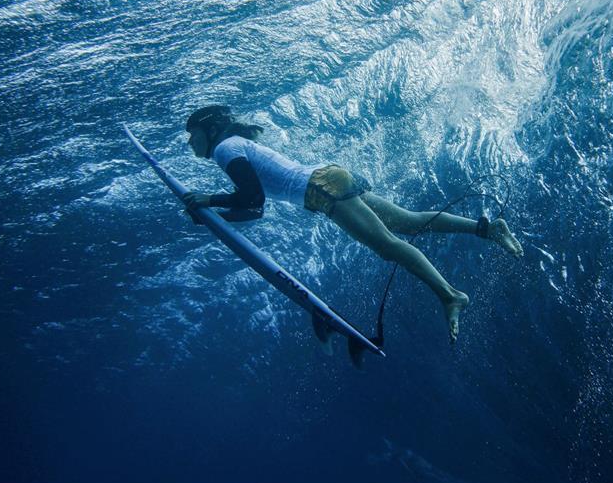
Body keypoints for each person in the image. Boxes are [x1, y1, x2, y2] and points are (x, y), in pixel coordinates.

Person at [180, 105, 523, 343]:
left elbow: (252, 199)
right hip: (329, 178)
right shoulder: (234, 145)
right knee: (408, 222)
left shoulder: (225, 148)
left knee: (388, 245)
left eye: (192, 133)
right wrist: (214, 216)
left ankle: (450, 296)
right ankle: (488, 229)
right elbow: (254, 210)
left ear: (209, 129)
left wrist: (208, 200)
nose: (190, 141)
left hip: (321, 189)